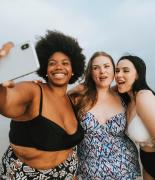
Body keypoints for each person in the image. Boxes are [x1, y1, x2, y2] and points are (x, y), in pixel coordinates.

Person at [0, 30, 85, 179]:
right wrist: (2, 75)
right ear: (45, 70)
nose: (59, 67)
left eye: (65, 63)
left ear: (73, 71)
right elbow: (6, 102)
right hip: (26, 175)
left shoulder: (72, 100)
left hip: (67, 173)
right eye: (52, 63)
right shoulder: (33, 90)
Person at [69, 52, 141, 179]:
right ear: (91, 72)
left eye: (107, 66)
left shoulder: (124, 96)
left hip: (124, 169)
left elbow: (144, 119)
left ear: (114, 71)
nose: (102, 71)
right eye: (96, 68)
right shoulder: (78, 97)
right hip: (88, 172)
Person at [115, 55, 155, 180]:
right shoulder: (128, 102)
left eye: (126, 70)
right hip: (147, 162)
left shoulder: (143, 96)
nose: (119, 74)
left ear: (138, 75)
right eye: (117, 71)